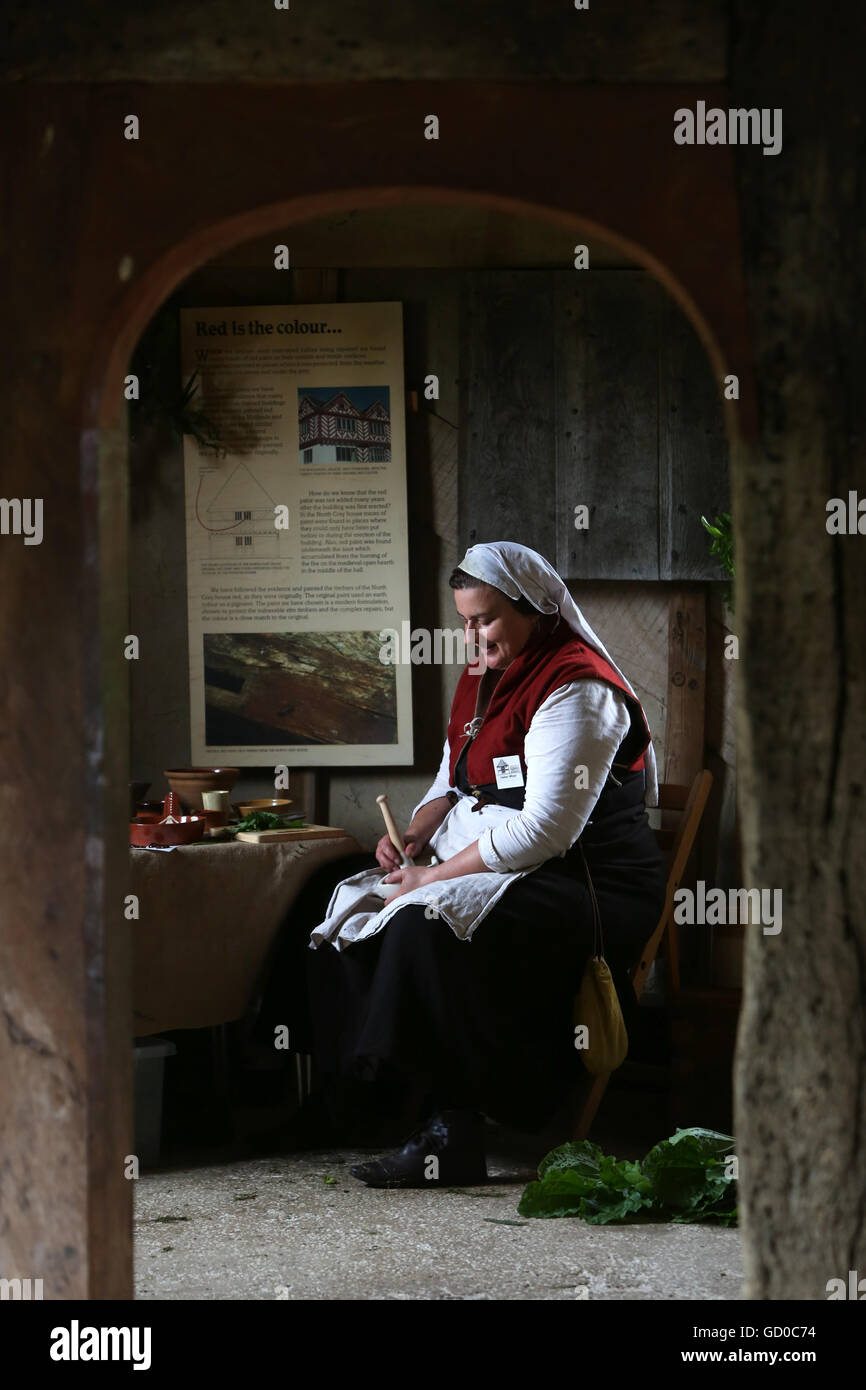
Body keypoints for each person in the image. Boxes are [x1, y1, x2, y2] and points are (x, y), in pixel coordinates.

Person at [297, 541, 667, 1187]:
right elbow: (455, 775)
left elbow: (547, 829)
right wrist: (412, 839)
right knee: (343, 897)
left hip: (586, 887)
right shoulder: (483, 675)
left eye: (486, 619)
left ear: (535, 608)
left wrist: (433, 879)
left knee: (425, 925)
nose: (472, 636)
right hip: (514, 866)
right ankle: (363, 1104)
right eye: (465, 620)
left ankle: (454, 1132)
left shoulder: (576, 687)